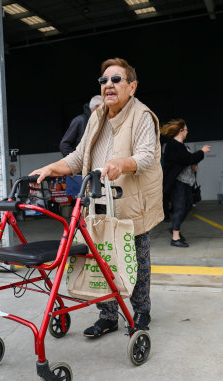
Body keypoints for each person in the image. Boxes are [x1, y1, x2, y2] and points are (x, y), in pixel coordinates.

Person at [30, 57, 163, 338]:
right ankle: (108, 315)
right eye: (104, 81)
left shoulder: (142, 116)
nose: (109, 85)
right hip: (100, 201)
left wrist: (120, 164)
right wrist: (52, 168)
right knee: (101, 259)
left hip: (131, 200)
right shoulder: (96, 116)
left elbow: (146, 156)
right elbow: (79, 157)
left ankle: (141, 311)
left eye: (116, 80)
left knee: (135, 259)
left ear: (132, 86)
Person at [161, 119, 210, 248]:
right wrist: (202, 151)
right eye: (186, 129)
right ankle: (175, 237)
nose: (187, 132)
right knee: (180, 207)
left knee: (188, 205)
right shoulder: (173, 145)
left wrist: (193, 165)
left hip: (186, 182)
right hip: (178, 182)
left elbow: (186, 161)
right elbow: (187, 159)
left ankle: (174, 228)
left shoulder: (182, 146)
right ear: (181, 131)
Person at [59, 95, 103, 196]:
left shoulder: (99, 122)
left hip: (94, 174)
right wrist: (78, 164)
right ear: (96, 107)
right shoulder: (80, 121)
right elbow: (64, 145)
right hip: (79, 176)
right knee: (80, 206)